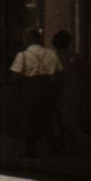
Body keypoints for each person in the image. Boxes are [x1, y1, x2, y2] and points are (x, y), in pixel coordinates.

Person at [10, 27, 62, 158]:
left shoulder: (22, 55)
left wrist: (18, 90)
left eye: (25, 38)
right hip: (47, 87)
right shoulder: (51, 53)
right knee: (47, 119)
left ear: (28, 39)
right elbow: (60, 72)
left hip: (31, 87)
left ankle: (30, 149)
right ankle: (53, 147)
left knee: (30, 119)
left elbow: (15, 76)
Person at [51, 30, 90, 155]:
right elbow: (84, 75)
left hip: (58, 92)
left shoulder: (52, 58)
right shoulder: (75, 57)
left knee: (60, 120)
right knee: (70, 119)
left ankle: (63, 146)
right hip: (72, 91)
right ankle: (74, 147)